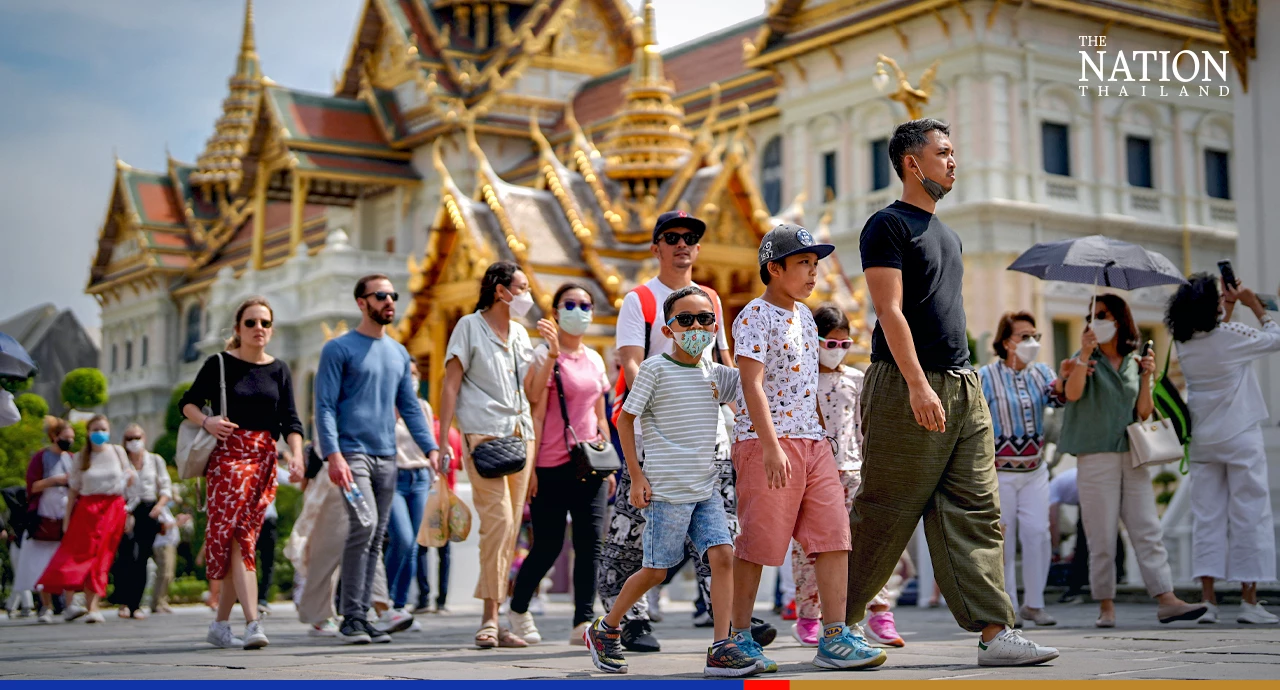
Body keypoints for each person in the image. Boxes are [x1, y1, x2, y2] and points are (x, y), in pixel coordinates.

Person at [850, 118, 1057, 666]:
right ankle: (835, 622)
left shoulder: (948, 233)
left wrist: (958, 383)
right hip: (905, 383)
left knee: (977, 509)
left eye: (953, 153)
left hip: (964, 383)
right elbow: (888, 310)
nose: (953, 161)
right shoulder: (886, 226)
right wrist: (918, 385)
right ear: (911, 164)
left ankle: (995, 632)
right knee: (886, 510)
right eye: (942, 153)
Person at [603, 211, 771, 652]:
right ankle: (620, 620)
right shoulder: (639, 299)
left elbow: (731, 367)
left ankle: (728, 632)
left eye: (691, 238)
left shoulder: (711, 300)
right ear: (656, 245)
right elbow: (632, 363)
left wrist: (741, 417)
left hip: (708, 438)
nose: (683, 244)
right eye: (672, 237)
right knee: (632, 541)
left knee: (721, 545)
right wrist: (660, 410)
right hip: (653, 438)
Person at [728, 224, 882, 673]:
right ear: (774, 269)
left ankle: (834, 637)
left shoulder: (804, 316)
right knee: (759, 544)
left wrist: (819, 436)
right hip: (765, 442)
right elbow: (750, 385)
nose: (814, 273)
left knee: (835, 536)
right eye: (804, 264)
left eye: (816, 264)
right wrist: (772, 445)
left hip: (814, 444)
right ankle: (735, 640)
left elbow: (807, 385)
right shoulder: (754, 315)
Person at [586, 286, 758, 677]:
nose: (696, 326)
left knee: (723, 555)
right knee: (656, 570)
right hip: (667, 491)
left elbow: (754, 382)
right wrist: (636, 475)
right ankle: (607, 627)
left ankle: (720, 646)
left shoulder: (717, 375)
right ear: (668, 329)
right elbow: (625, 420)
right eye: (686, 319)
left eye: (705, 319)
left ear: (716, 327)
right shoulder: (654, 370)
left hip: (706, 487)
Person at [1060, 293, 1206, 628]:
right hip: (1095, 455)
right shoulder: (1084, 357)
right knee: (1101, 535)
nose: (1096, 320)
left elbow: (1143, 412)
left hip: (1133, 453)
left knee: (1147, 529)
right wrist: (1083, 354)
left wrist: (1147, 379)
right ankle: (1106, 606)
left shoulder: (1136, 359)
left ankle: (1166, 599)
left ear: (1120, 319)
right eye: (1093, 315)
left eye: (1104, 314)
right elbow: (1072, 394)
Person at [316, 274, 440, 645]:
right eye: (381, 296)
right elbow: (323, 407)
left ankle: (362, 615)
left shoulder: (399, 353)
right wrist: (333, 453)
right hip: (352, 455)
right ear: (361, 302)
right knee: (364, 527)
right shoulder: (338, 349)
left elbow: (410, 407)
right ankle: (352, 617)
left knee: (375, 539)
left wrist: (430, 448)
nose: (389, 302)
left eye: (393, 296)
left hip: (388, 458)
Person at [181, 297, 305, 649]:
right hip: (227, 460)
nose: (258, 329)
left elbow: (291, 420)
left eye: (264, 323)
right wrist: (207, 420)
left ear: (272, 328)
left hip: (263, 460)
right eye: (251, 323)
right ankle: (253, 622)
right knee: (240, 538)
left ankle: (221, 624)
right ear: (238, 329)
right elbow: (186, 402)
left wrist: (295, 455)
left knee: (242, 537)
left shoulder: (278, 369)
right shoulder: (219, 363)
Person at [1166, 274, 1280, 624]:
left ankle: (1208, 601)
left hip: (1203, 439)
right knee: (1251, 514)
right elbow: (1274, 339)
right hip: (1240, 435)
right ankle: (1249, 601)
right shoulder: (1232, 337)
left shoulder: (1184, 340)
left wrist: (1227, 306)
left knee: (1207, 518)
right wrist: (1254, 304)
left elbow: (1217, 337)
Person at [790, 305, 905, 648]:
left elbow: (862, 428)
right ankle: (809, 616)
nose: (837, 350)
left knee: (866, 543)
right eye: (830, 343)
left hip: (853, 471)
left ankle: (879, 613)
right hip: (811, 474)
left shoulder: (857, 378)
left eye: (844, 344)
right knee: (808, 549)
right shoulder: (798, 377)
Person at [436, 261, 535, 649]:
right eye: (522, 287)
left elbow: (532, 390)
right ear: (500, 289)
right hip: (483, 436)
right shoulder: (468, 326)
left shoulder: (522, 334)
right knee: (499, 521)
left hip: (521, 435)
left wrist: (553, 351)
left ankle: (499, 616)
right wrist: (444, 439)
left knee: (509, 530)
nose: (527, 295)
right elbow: (450, 384)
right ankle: (490, 619)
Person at [508, 284, 614, 646]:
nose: (578, 310)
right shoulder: (541, 355)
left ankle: (582, 621)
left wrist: (608, 461)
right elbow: (533, 399)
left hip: (591, 465)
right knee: (548, 545)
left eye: (585, 305)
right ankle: (518, 608)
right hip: (550, 464)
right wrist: (552, 353)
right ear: (555, 312)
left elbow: (600, 414)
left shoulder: (595, 359)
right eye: (569, 304)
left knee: (590, 545)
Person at [978, 312, 1071, 628]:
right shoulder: (985, 376)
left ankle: (1035, 603)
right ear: (1006, 342)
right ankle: (1008, 607)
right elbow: (975, 421)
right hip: (999, 472)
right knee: (1003, 539)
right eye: (1025, 336)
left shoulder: (1041, 373)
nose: (1032, 343)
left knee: (1038, 533)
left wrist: (1066, 379)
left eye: (1036, 336)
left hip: (1035, 470)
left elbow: (1058, 400)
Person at [37, 414, 134, 624]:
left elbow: (128, 483)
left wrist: (128, 512)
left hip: (113, 508)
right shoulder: (81, 457)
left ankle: (93, 606)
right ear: (89, 432)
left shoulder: (117, 452)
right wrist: (66, 521)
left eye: (103, 429)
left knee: (103, 556)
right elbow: (73, 492)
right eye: (95, 429)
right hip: (88, 509)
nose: (100, 433)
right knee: (76, 555)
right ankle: (59, 601)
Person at [382, 361, 438, 630]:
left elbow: (428, 442)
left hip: (419, 477)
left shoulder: (422, 407)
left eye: (415, 375)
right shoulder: (384, 407)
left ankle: (400, 607)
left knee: (415, 545)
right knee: (401, 538)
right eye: (408, 374)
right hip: (394, 477)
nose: (412, 379)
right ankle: (383, 602)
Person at [16, 417, 74, 623]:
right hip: (44, 516)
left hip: (65, 516)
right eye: (65, 437)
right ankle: (46, 606)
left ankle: (69, 605)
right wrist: (55, 481)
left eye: (71, 438)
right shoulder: (41, 458)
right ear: (54, 436)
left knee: (66, 561)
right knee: (42, 562)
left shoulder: (73, 459)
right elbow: (32, 487)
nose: (69, 441)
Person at [111, 424, 171, 619]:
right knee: (127, 555)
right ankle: (124, 601)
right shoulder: (121, 462)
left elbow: (165, 487)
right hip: (127, 509)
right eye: (129, 438)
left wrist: (159, 507)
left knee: (142, 558)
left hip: (149, 509)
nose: (133, 442)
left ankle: (135, 604)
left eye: (136, 437)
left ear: (144, 438)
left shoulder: (155, 460)